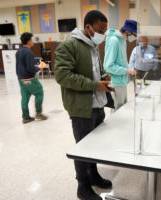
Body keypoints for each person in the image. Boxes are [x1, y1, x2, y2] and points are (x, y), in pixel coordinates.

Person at [54, 10, 113, 200]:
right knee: (82, 149)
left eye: (105, 30)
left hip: (98, 104)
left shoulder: (93, 46)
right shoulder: (68, 45)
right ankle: (83, 186)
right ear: (88, 27)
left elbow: (96, 71)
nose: (102, 34)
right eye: (100, 29)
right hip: (81, 108)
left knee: (94, 146)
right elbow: (63, 76)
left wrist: (104, 78)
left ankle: (94, 175)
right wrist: (95, 85)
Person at [104, 19, 137, 110]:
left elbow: (122, 61)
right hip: (116, 82)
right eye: (135, 35)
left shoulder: (123, 41)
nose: (135, 37)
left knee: (122, 108)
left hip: (122, 80)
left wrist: (129, 70)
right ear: (128, 31)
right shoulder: (114, 41)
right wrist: (126, 70)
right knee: (117, 111)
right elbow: (108, 66)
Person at [16, 32, 48, 124]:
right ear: (29, 41)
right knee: (39, 92)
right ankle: (38, 114)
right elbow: (30, 67)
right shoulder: (28, 52)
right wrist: (39, 68)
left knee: (25, 98)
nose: (33, 41)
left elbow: (20, 66)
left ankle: (25, 117)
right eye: (32, 39)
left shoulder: (19, 51)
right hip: (29, 78)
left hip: (21, 79)